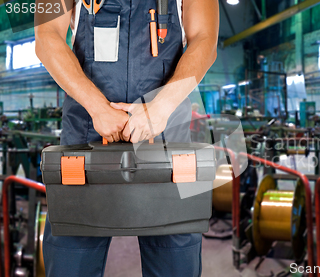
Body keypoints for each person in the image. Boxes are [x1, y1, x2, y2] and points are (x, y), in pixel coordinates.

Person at [34, 0, 218, 275]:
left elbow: (205, 39)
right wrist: (97, 107)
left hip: (166, 129)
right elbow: (46, 36)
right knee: (71, 255)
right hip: (86, 126)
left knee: (175, 257)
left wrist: (160, 107)